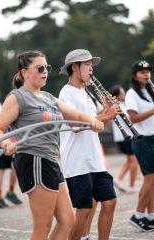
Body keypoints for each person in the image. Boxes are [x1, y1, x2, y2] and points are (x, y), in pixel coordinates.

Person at [0, 50, 104, 240]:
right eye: (40, 68)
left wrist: (92, 120)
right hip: (34, 159)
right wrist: (6, 142)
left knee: (68, 220)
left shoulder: (49, 97)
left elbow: (76, 116)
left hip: (51, 160)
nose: (45, 71)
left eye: (47, 67)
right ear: (24, 72)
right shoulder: (18, 97)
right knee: (43, 226)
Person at [59, 49, 122, 240]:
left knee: (110, 202)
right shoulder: (66, 94)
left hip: (94, 159)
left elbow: (97, 124)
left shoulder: (87, 93)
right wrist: (105, 114)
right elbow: (76, 126)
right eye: (87, 65)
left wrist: (107, 109)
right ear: (74, 67)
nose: (91, 69)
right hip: (77, 162)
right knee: (84, 209)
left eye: (91, 65)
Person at [125, 60, 154, 232]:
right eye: (142, 72)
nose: (146, 74)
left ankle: (151, 216)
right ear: (135, 75)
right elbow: (133, 118)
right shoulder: (131, 94)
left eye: (148, 71)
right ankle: (138, 215)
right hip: (142, 139)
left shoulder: (150, 91)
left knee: (153, 181)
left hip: (152, 137)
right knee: (149, 179)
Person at [0, 83, 22, 208]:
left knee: (1, 168)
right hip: (5, 140)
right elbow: (6, 123)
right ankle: (10, 191)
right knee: (14, 166)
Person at [109, 85, 139, 193]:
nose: (124, 94)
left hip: (120, 137)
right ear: (117, 95)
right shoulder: (120, 105)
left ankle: (119, 179)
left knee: (130, 160)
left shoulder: (114, 106)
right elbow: (132, 119)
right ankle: (131, 185)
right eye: (122, 93)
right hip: (126, 137)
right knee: (134, 160)